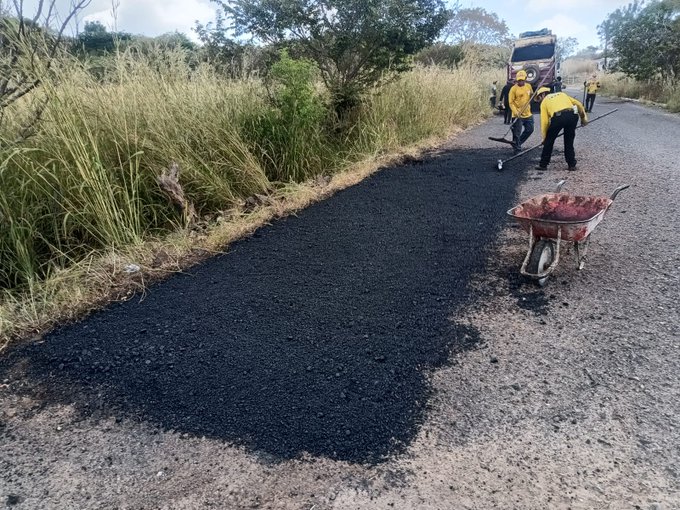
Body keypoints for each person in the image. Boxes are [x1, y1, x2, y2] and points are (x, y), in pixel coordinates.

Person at [534, 87, 588, 171]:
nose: (540, 100)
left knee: (549, 141)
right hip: (572, 115)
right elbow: (579, 105)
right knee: (569, 141)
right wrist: (583, 119)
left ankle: (543, 165)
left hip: (558, 117)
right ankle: (571, 165)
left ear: (543, 94)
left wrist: (545, 138)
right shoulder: (562, 94)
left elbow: (545, 122)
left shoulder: (544, 101)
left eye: (539, 98)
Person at [508, 70, 534, 153]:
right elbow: (511, 102)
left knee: (530, 130)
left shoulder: (529, 86)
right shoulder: (513, 89)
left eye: (522, 80)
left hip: (528, 113)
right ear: (517, 80)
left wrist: (535, 98)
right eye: (519, 80)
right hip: (517, 114)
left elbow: (531, 96)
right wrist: (516, 112)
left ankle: (517, 143)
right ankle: (517, 148)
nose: (520, 82)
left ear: (525, 79)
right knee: (516, 133)